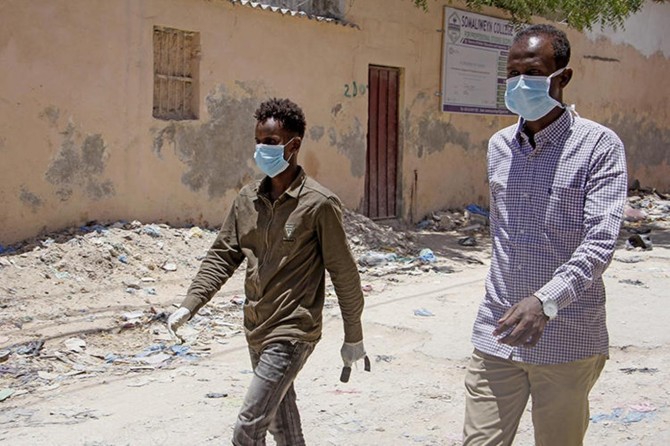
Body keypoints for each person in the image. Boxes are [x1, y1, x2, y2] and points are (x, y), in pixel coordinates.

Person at [167, 98, 368, 446]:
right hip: (256, 327)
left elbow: (344, 273)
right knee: (283, 427)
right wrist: (190, 304)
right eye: (258, 141)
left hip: (292, 332)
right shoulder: (247, 200)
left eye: (271, 142)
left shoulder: (318, 204)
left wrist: (354, 335)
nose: (262, 149)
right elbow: (222, 255)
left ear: (294, 145)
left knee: (247, 431)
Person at [463, 24, 627, 446]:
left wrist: (545, 301)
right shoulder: (500, 145)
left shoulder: (599, 146)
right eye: (512, 73)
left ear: (562, 77)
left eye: (533, 73)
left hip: (567, 338)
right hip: (497, 331)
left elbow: (600, 242)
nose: (520, 83)